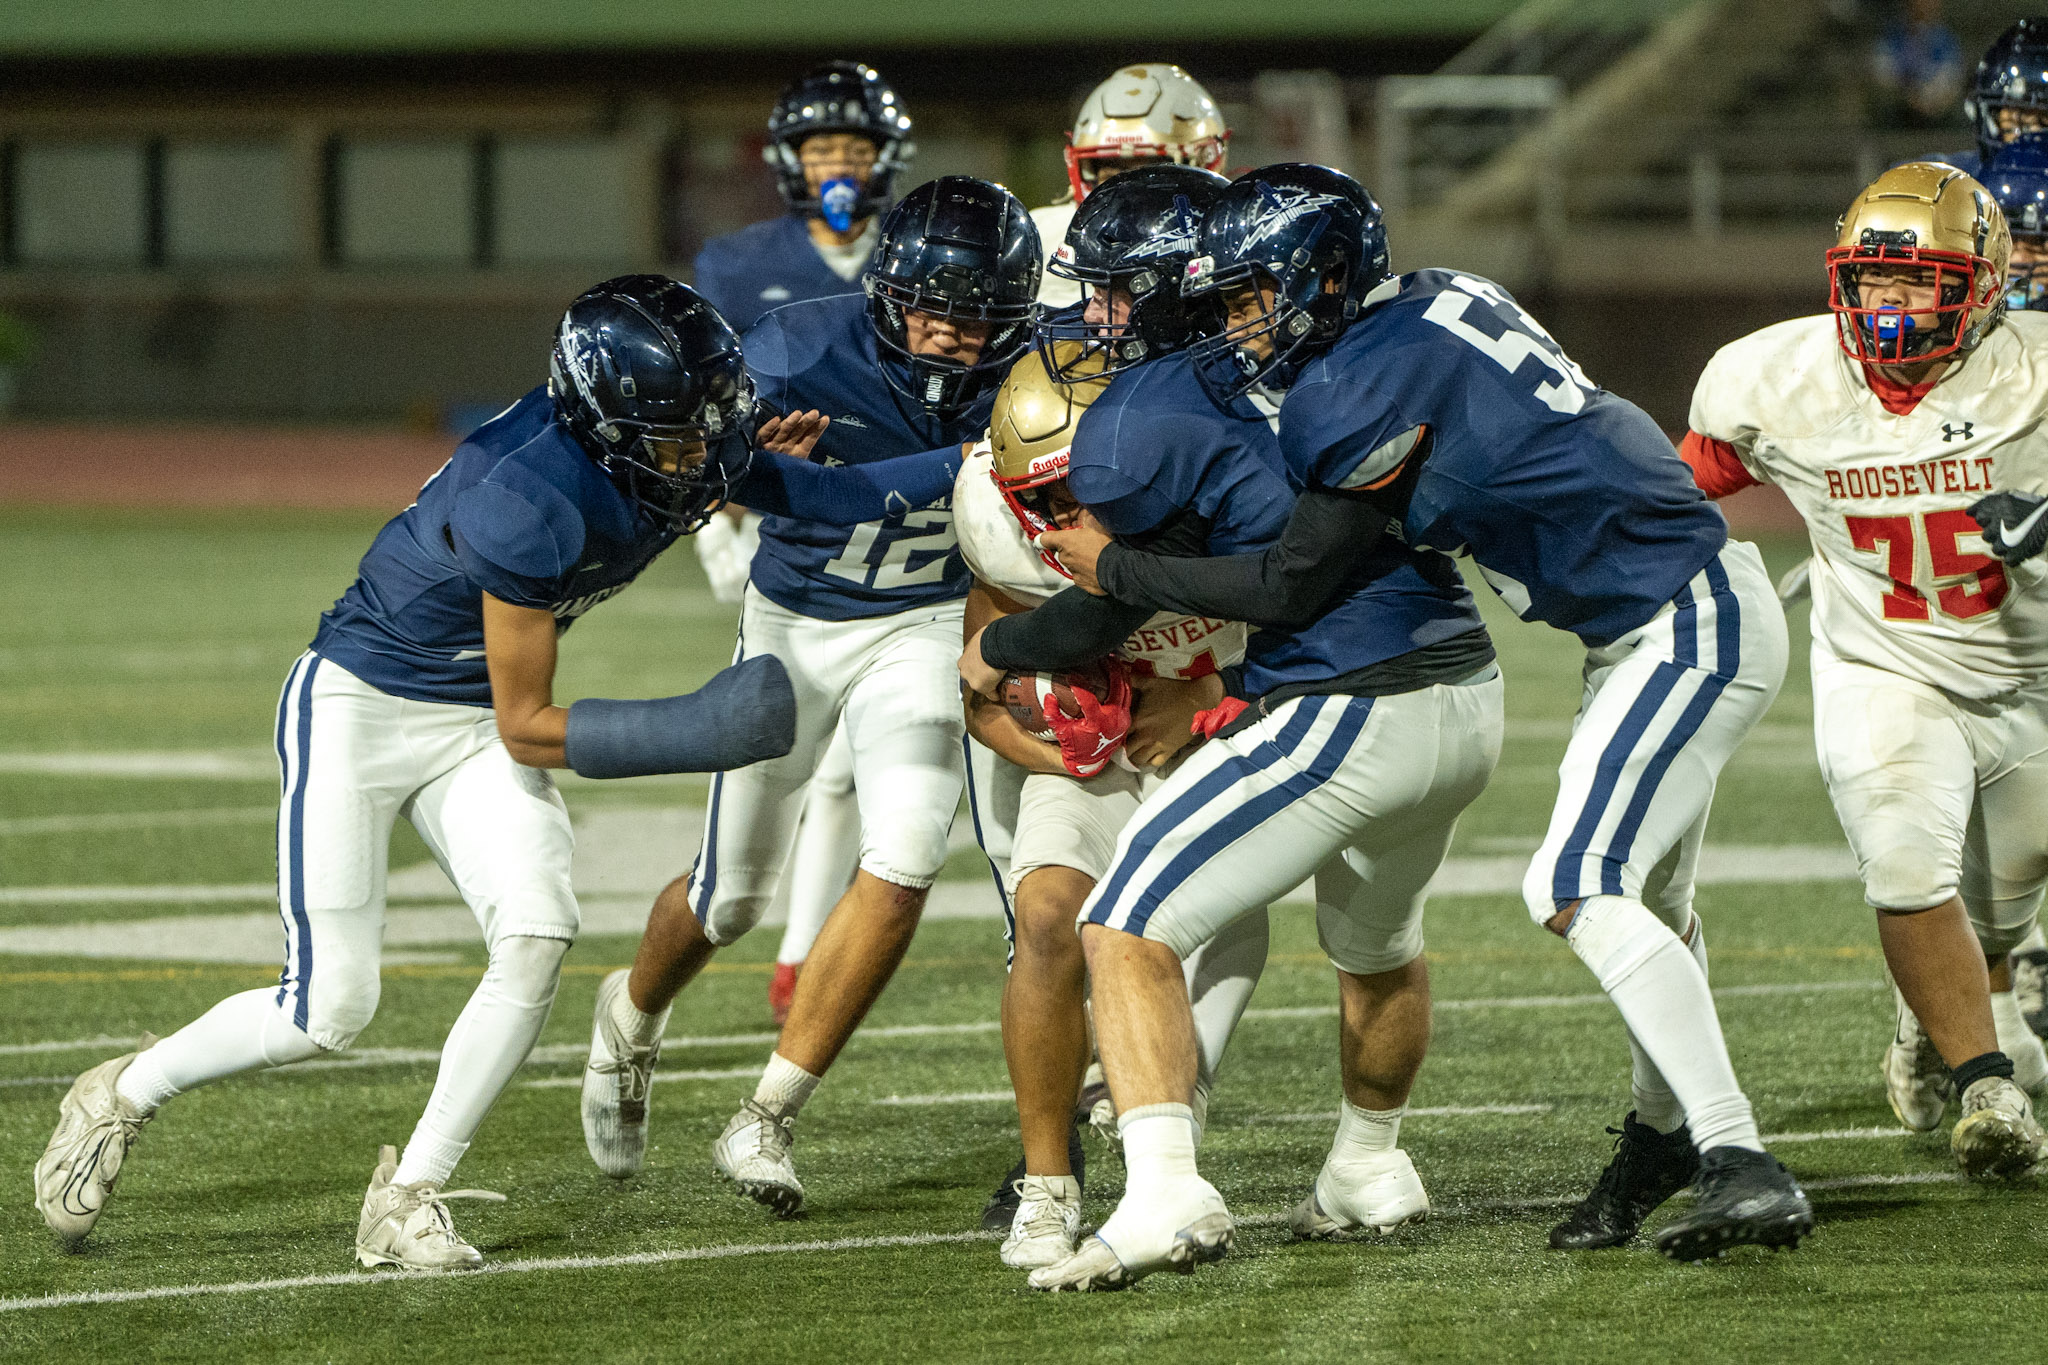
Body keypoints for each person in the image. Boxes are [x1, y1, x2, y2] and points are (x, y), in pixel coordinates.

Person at [31, 276, 965, 1269]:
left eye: (712, 418)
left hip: (468, 717)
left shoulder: (668, 434)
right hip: (366, 707)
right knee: (328, 1007)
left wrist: (990, 461)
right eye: (680, 431)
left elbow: (832, 493)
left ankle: (410, 1195)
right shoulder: (525, 496)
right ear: (607, 423)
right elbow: (528, 726)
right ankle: (123, 1092)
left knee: (535, 935)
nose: (707, 447)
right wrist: (695, 728)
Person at [1034, 164, 1814, 1266]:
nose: (1238, 324)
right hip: (1649, 616)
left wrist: (1114, 569)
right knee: (1652, 899)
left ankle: (1736, 1155)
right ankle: (1661, 1139)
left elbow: (1286, 586)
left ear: (1326, 274)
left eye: (1256, 296)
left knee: (1571, 881)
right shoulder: (1443, 292)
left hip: (1682, 617)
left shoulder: (1345, 391)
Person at [961, 165, 1506, 1290]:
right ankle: (1367, 1167)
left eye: (1118, 297)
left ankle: (1163, 1192)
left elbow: (1119, 600)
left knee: (1123, 923)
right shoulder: (1330, 355)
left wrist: (1003, 647)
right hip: (1467, 686)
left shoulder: (1146, 419)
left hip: (1357, 698)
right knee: (1376, 944)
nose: (1094, 321)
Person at [580, 178, 1043, 1214]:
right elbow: (681, 473)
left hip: (926, 627)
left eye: (971, 317)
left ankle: (767, 1115)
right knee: (732, 898)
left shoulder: (1032, 370)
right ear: (883, 292)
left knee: (909, 849)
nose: (944, 334)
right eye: (925, 306)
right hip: (795, 623)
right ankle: (631, 1015)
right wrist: (742, 475)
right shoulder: (793, 350)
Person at [1683, 163, 2048, 1178]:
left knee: (2000, 906)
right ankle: (1986, 1085)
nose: (1884, 307)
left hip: (2027, 673)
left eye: (1913, 282)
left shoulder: (2034, 366)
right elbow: (1680, 485)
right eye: (1868, 282)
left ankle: (1921, 1021)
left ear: (1979, 284)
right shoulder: (1776, 375)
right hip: (1878, 661)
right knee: (1900, 857)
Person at [693, 61, 915, 334]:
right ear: (792, 160)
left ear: (885, 158)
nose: (840, 166)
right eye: (821, 151)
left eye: (858, 151)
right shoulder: (730, 265)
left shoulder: (917, 258)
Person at [1030, 64, 1229, 309]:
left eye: (1149, 178)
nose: (1127, 196)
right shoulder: (1041, 238)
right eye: (1111, 177)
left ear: (1206, 161)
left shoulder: (1228, 237)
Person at [1914, 18, 2048, 176]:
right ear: (1992, 116)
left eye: (2043, 117)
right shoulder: (1951, 179)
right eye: (2017, 114)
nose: (2030, 133)